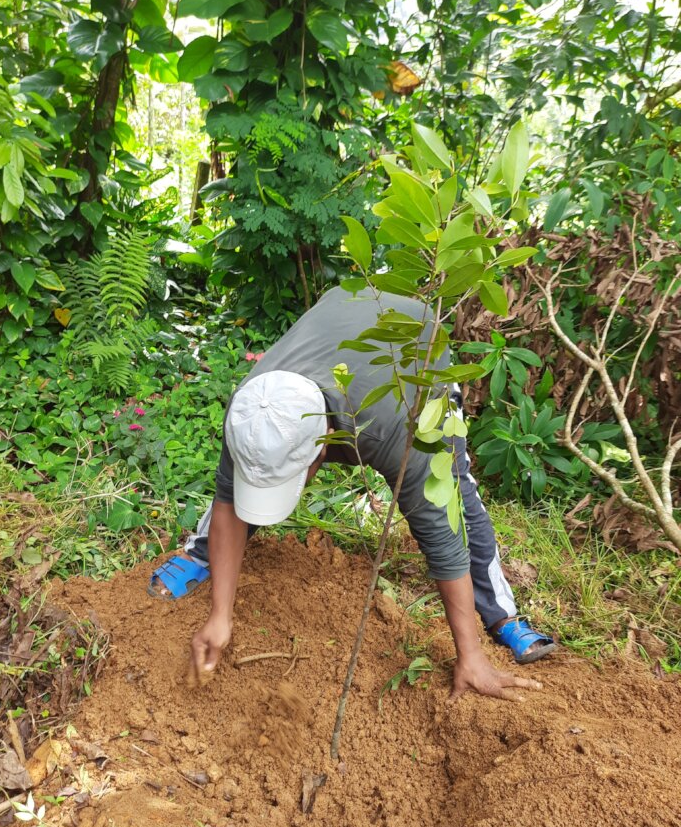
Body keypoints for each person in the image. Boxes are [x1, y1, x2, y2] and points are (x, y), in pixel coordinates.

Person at [149, 285, 555, 701]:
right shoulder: (255, 409)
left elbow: (442, 542)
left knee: (455, 494)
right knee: (246, 480)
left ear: (324, 447)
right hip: (340, 313)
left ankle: (501, 615)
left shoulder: (398, 429)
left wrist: (468, 656)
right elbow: (230, 500)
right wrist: (221, 616)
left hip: (413, 351)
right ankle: (201, 555)